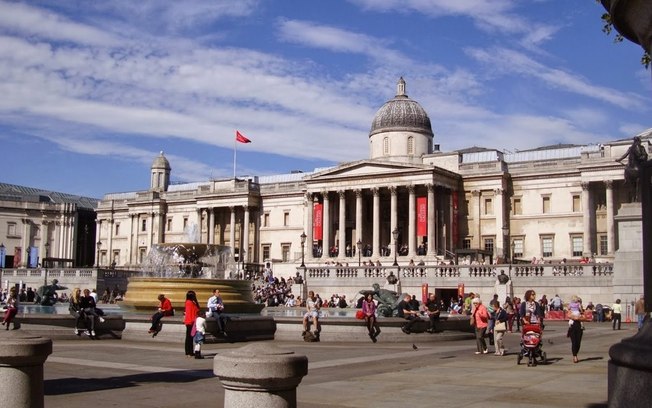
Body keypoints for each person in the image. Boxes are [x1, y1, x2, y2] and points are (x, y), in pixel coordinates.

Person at [567, 296, 585, 363]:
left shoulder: (580, 310)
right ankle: (575, 356)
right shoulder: (570, 310)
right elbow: (569, 315)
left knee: (578, 342)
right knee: (574, 342)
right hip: (572, 326)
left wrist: (578, 317)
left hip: (579, 326)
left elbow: (584, 318)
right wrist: (577, 317)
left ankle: (575, 353)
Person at [184, 291, 200, 357]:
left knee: (189, 337)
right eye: (194, 295)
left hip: (190, 321)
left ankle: (189, 352)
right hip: (190, 322)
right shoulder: (189, 303)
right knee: (189, 337)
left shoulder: (189, 302)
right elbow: (191, 312)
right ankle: (189, 352)